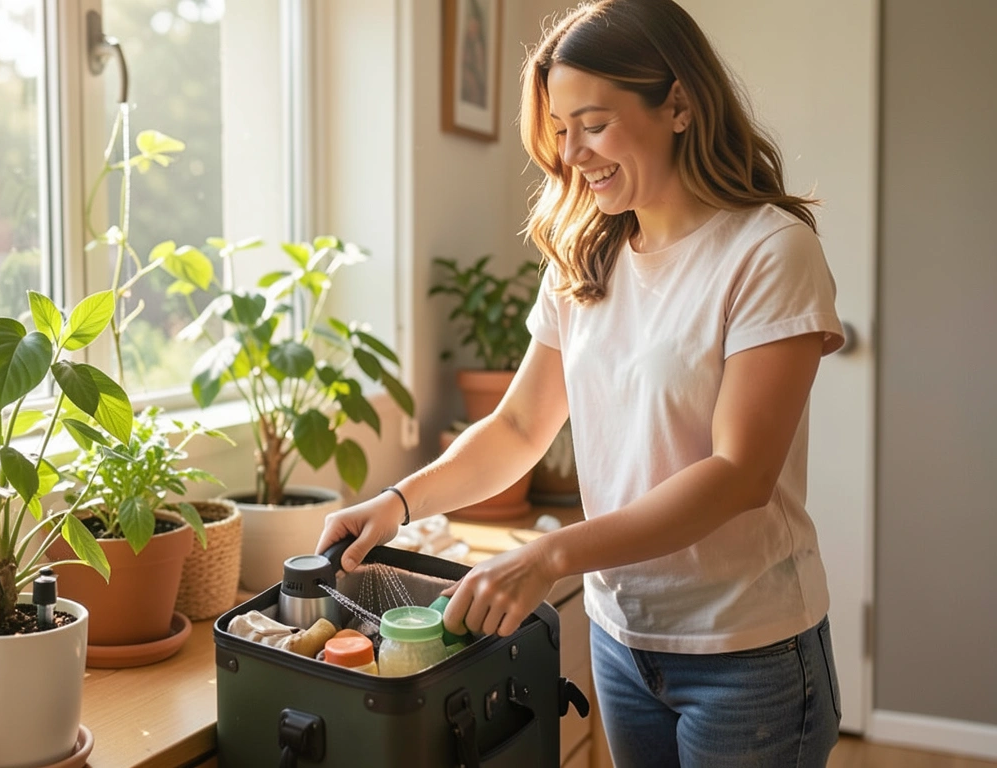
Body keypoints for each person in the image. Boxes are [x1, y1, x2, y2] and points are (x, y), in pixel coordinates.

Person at [315, 0, 845, 764]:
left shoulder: (768, 252)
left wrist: (551, 556)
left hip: (749, 652)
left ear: (680, 105)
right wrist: (395, 505)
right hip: (623, 641)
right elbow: (519, 428)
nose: (572, 154)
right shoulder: (584, 259)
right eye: (561, 130)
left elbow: (739, 475)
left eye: (593, 124)